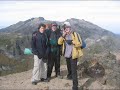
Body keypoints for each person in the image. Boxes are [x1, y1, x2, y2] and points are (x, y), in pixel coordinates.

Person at [58, 22, 83, 90]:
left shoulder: (75, 34)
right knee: (69, 69)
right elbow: (59, 42)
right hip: (67, 55)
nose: (66, 29)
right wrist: (63, 35)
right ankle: (69, 76)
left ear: (70, 28)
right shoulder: (64, 35)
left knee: (74, 71)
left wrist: (72, 42)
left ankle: (75, 86)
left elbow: (80, 44)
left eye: (68, 28)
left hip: (73, 55)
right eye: (65, 28)